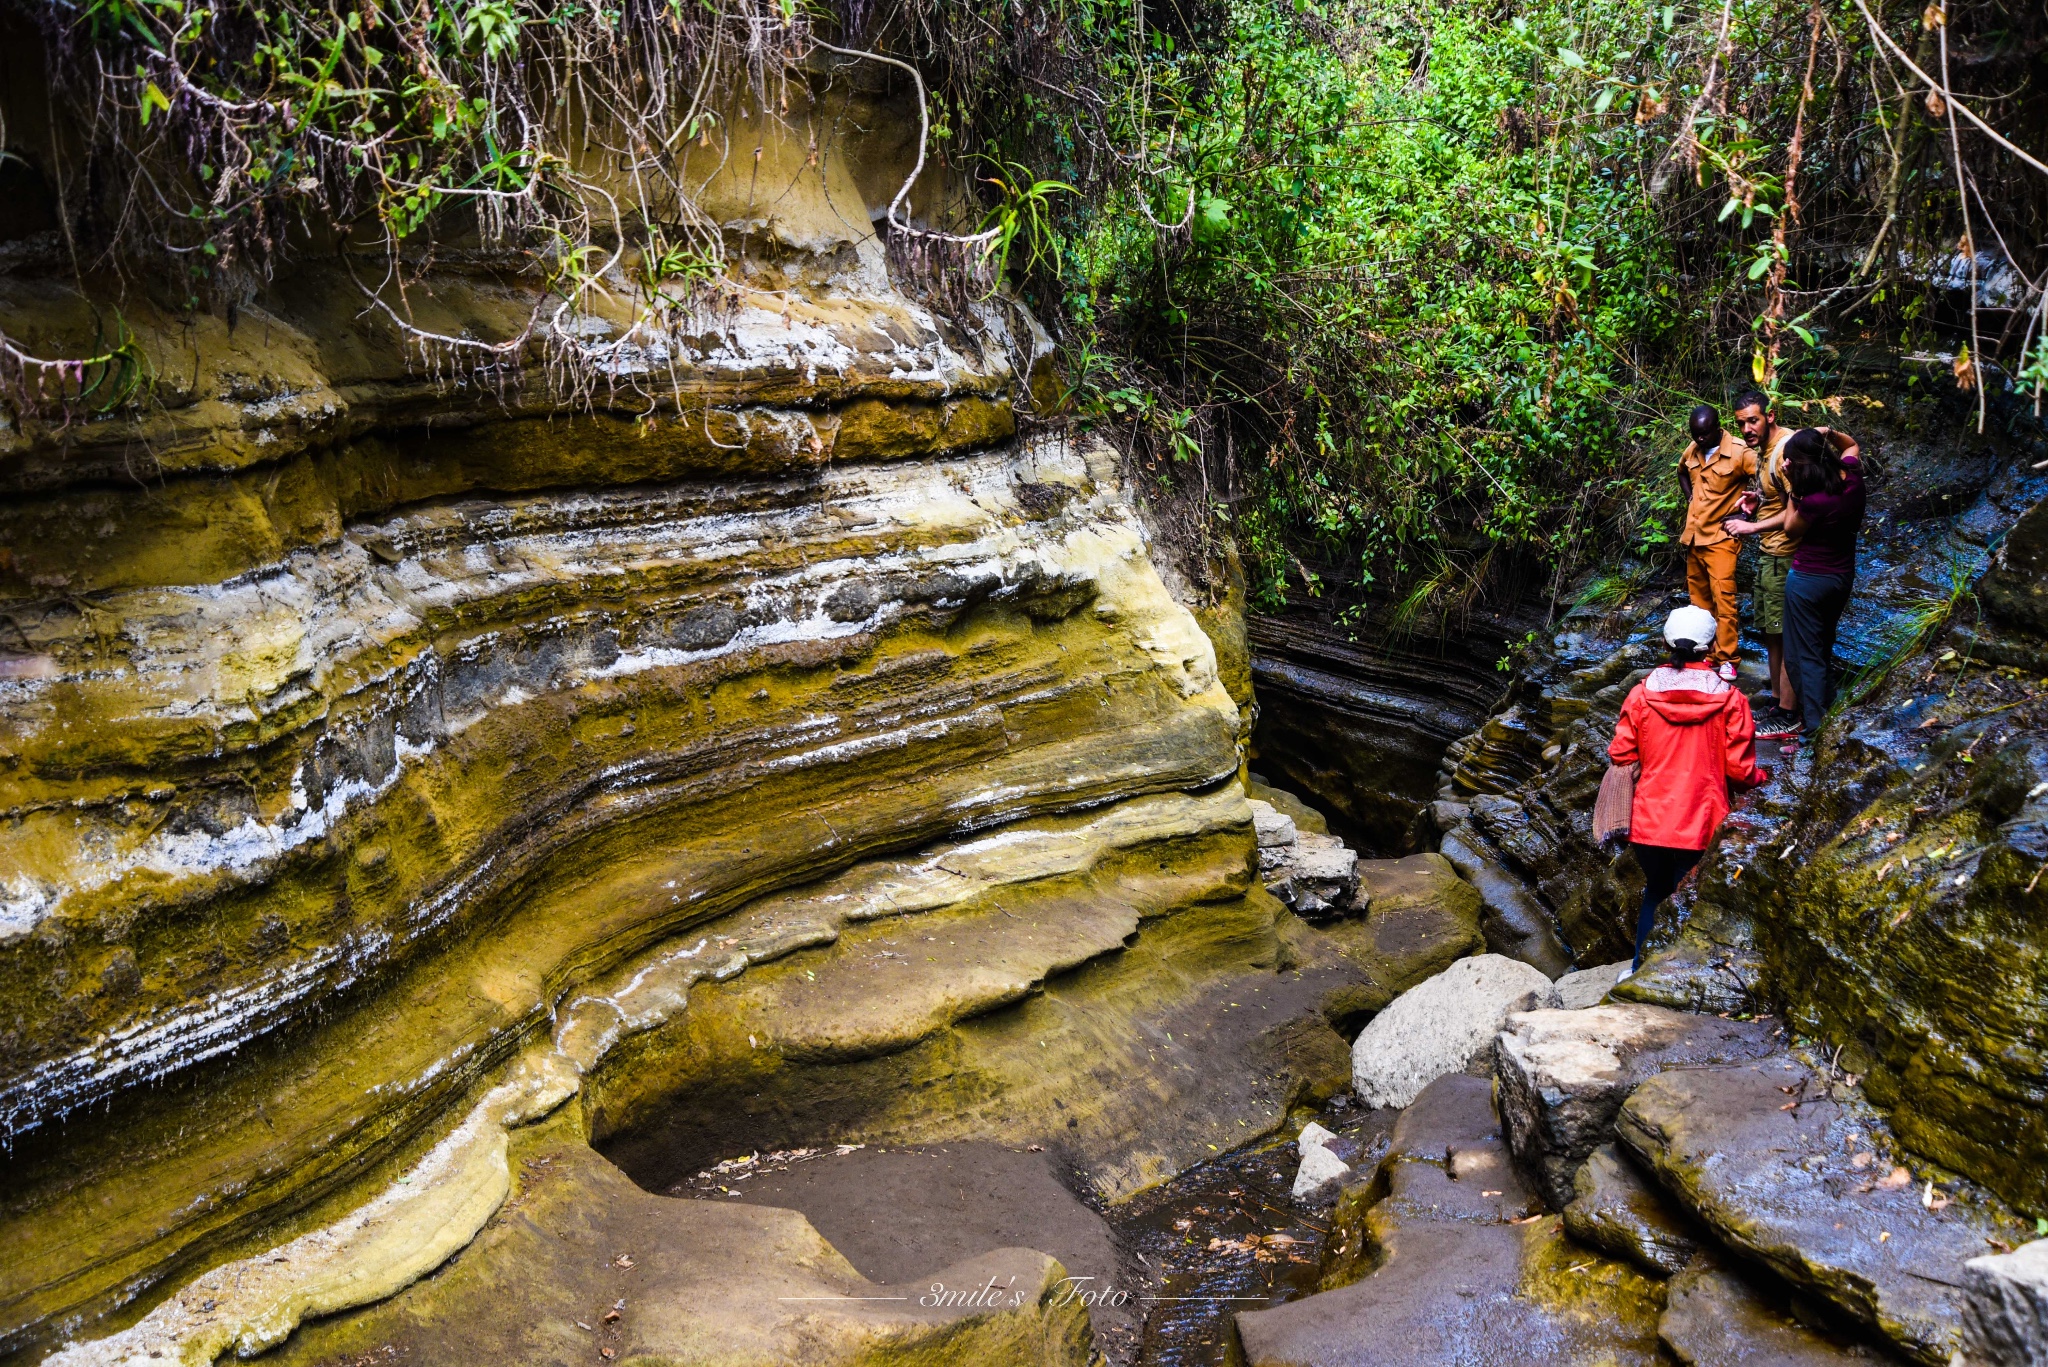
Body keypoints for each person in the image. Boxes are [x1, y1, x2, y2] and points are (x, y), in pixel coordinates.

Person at [1606, 605, 1771, 973]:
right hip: (1701, 820)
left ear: (1665, 642)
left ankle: (1637, 970)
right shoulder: (1731, 700)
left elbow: (1620, 753)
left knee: (1656, 891)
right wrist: (1763, 779)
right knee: (1689, 901)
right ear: (1711, 646)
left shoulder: (1640, 695)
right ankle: (1676, 978)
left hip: (1647, 821)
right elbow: (1740, 771)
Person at [1776, 427, 1865, 736]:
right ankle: (1829, 706)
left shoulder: (1812, 500)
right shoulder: (1852, 476)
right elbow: (1851, 444)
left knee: (1804, 653)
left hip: (1808, 581)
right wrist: (1826, 432)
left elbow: (1790, 529)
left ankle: (1815, 727)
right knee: (1824, 643)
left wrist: (1793, 489)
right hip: (1841, 577)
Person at [1721, 391, 1800, 730]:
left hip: (1787, 553)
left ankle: (1788, 713)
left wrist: (1751, 527)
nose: (1747, 429)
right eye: (1741, 424)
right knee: (1771, 630)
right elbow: (1780, 498)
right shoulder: (1766, 450)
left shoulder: (1786, 449)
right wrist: (1759, 497)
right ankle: (1778, 697)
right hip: (1771, 551)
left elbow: (1798, 513)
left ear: (1770, 415)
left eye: (1753, 420)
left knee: (1785, 632)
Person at [1677, 405, 1757, 683]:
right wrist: (1690, 499)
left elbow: (1767, 483)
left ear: (1717, 427)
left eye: (1703, 434)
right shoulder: (1693, 449)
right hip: (1695, 537)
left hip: (1721, 539)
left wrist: (1747, 513)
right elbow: (1682, 473)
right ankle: (1705, 656)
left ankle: (1728, 659)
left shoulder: (1740, 452)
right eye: (1695, 435)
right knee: (1699, 604)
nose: (1699, 440)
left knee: (1724, 601)